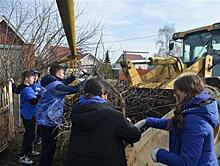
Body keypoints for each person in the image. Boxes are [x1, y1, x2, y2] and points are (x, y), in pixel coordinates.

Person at [135, 74, 219, 166]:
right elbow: (176, 123)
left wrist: (158, 154)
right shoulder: (195, 111)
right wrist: (147, 121)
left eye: (176, 91)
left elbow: (186, 163)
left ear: (186, 92)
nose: (174, 95)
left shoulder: (195, 122)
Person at [64, 78, 141, 166]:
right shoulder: (114, 116)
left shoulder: (76, 112)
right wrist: (128, 123)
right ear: (103, 95)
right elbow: (134, 136)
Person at [36, 64, 83, 166]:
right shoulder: (55, 86)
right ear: (57, 73)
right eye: (63, 73)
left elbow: (63, 83)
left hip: (46, 119)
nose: (64, 75)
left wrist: (72, 78)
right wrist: (87, 81)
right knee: (48, 148)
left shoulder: (49, 82)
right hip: (48, 120)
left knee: (48, 146)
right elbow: (74, 89)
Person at [18, 70, 40, 165]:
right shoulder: (26, 89)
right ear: (26, 79)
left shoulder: (29, 87)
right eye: (32, 77)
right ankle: (23, 156)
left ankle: (30, 151)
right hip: (27, 115)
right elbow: (33, 101)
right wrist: (44, 96)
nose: (34, 79)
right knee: (29, 136)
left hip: (31, 114)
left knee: (31, 134)